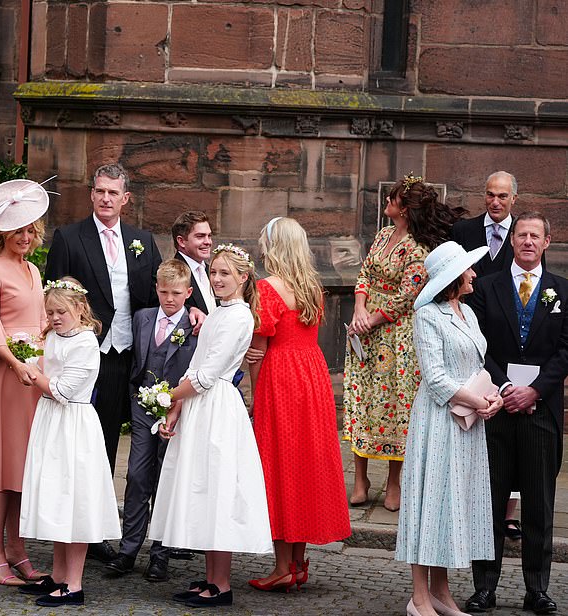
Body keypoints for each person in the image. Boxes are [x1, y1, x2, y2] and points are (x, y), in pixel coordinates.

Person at [44, 163, 168, 563]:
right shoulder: (69, 237)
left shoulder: (142, 241)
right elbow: (53, 295)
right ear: (91, 193)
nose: (105, 199)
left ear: (125, 199)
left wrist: (196, 312)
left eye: (113, 193)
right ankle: (75, 528)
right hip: (84, 355)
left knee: (109, 445)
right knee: (80, 446)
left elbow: (158, 296)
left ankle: (98, 528)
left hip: (124, 358)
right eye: (99, 191)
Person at [149, 244, 273, 609]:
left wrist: (167, 395)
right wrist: (176, 408)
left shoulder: (240, 317)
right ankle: (208, 577)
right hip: (198, 407)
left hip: (217, 407)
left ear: (243, 278)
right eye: (213, 272)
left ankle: (221, 584)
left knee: (217, 490)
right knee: (201, 490)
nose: (217, 279)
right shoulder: (217, 313)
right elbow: (195, 366)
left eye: (224, 274)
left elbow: (207, 375)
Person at [466, 212, 568, 615]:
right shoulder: (486, 288)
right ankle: (484, 588)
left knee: (540, 504)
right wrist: (506, 388)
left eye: (534, 236)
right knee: (489, 501)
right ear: (512, 242)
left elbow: (565, 350)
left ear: (547, 241)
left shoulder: (561, 290)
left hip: (541, 411)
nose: (527, 241)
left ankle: (537, 589)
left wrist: (535, 391)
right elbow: (477, 347)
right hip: (496, 407)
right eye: (521, 234)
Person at [343, 174, 463, 512]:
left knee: (396, 406)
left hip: (396, 336)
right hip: (364, 326)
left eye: (393, 198)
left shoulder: (419, 247)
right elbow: (364, 272)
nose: (387, 201)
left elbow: (407, 296)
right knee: (362, 400)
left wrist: (373, 318)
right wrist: (360, 308)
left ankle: (395, 481)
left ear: (404, 209)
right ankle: (361, 478)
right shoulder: (382, 235)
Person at [395, 241, 501, 616]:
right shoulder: (427, 315)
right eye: (468, 269)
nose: (474, 273)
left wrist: (493, 397)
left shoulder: (468, 313)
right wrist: (479, 402)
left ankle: (441, 593)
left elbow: (476, 365)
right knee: (430, 502)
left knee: (451, 503)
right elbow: (435, 378)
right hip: (438, 421)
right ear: (454, 277)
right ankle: (419, 597)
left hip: (468, 424)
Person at [247, 217, 351, 592]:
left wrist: (255, 397)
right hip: (312, 375)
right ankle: (297, 562)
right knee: (305, 464)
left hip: (281, 378)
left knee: (278, 465)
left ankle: (281, 567)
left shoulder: (266, 289)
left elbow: (258, 352)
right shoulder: (312, 287)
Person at [17, 277, 122, 607]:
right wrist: (28, 363)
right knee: (57, 498)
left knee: (73, 500)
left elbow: (63, 390)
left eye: (61, 311)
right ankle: (58, 576)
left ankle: (73, 584)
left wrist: (34, 375)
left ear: (80, 308)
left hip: (73, 424)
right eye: (50, 312)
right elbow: (43, 368)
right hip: (50, 421)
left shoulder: (86, 343)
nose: (55, 318)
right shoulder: (54, 337)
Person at [0, 179, 49, 586]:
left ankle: (18, 549)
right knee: (1, 464)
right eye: (18, 230)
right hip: (5, 375)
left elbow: (41, 322)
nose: (25, 236)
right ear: (4, 232)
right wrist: (14, 362)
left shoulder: (34, 269)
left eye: (30, 230)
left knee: (24, 464)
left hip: (32, 375)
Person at [106, 259, 198, 582]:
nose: (169, 299)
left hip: (176, 411)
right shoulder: (142, 318)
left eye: (176, 293)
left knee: (166, 479)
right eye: (163, 292)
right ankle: (128, 549)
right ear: (156, 290)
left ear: (188, 293)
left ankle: (160, 554)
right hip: (142, 408)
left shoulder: (194, 325)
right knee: (136, 475)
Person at [451, 171, 518, 277]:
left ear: (513, 198)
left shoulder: (525, 235)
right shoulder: (462, 230)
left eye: (502, 196)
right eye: (490, 195)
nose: (495, 202)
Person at [171, 211, 215, 314]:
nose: (208, 242)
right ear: (181, 241)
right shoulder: (171, 272)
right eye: (200, 236)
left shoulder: (210, 271)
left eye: (209, 236)